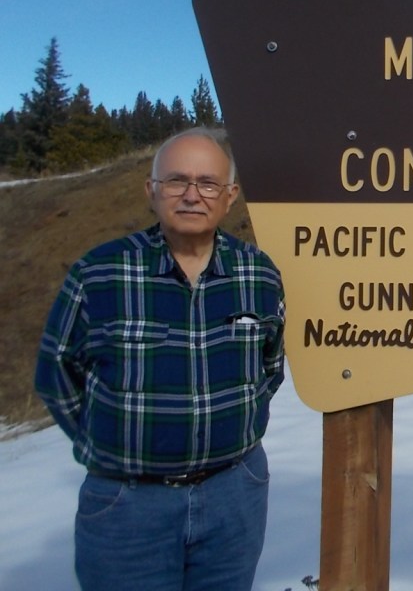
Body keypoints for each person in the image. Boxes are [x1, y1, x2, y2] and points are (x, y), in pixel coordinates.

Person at [35, 127, 286, 591]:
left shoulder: (258, 274)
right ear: (151, 191)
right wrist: (109, 443)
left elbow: (269, 369)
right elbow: (56, 374)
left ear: (229, 196)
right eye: (176, 181)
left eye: (208, 183)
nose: (193, 195)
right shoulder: (100, 273)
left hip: (234, 496)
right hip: (128, 505)